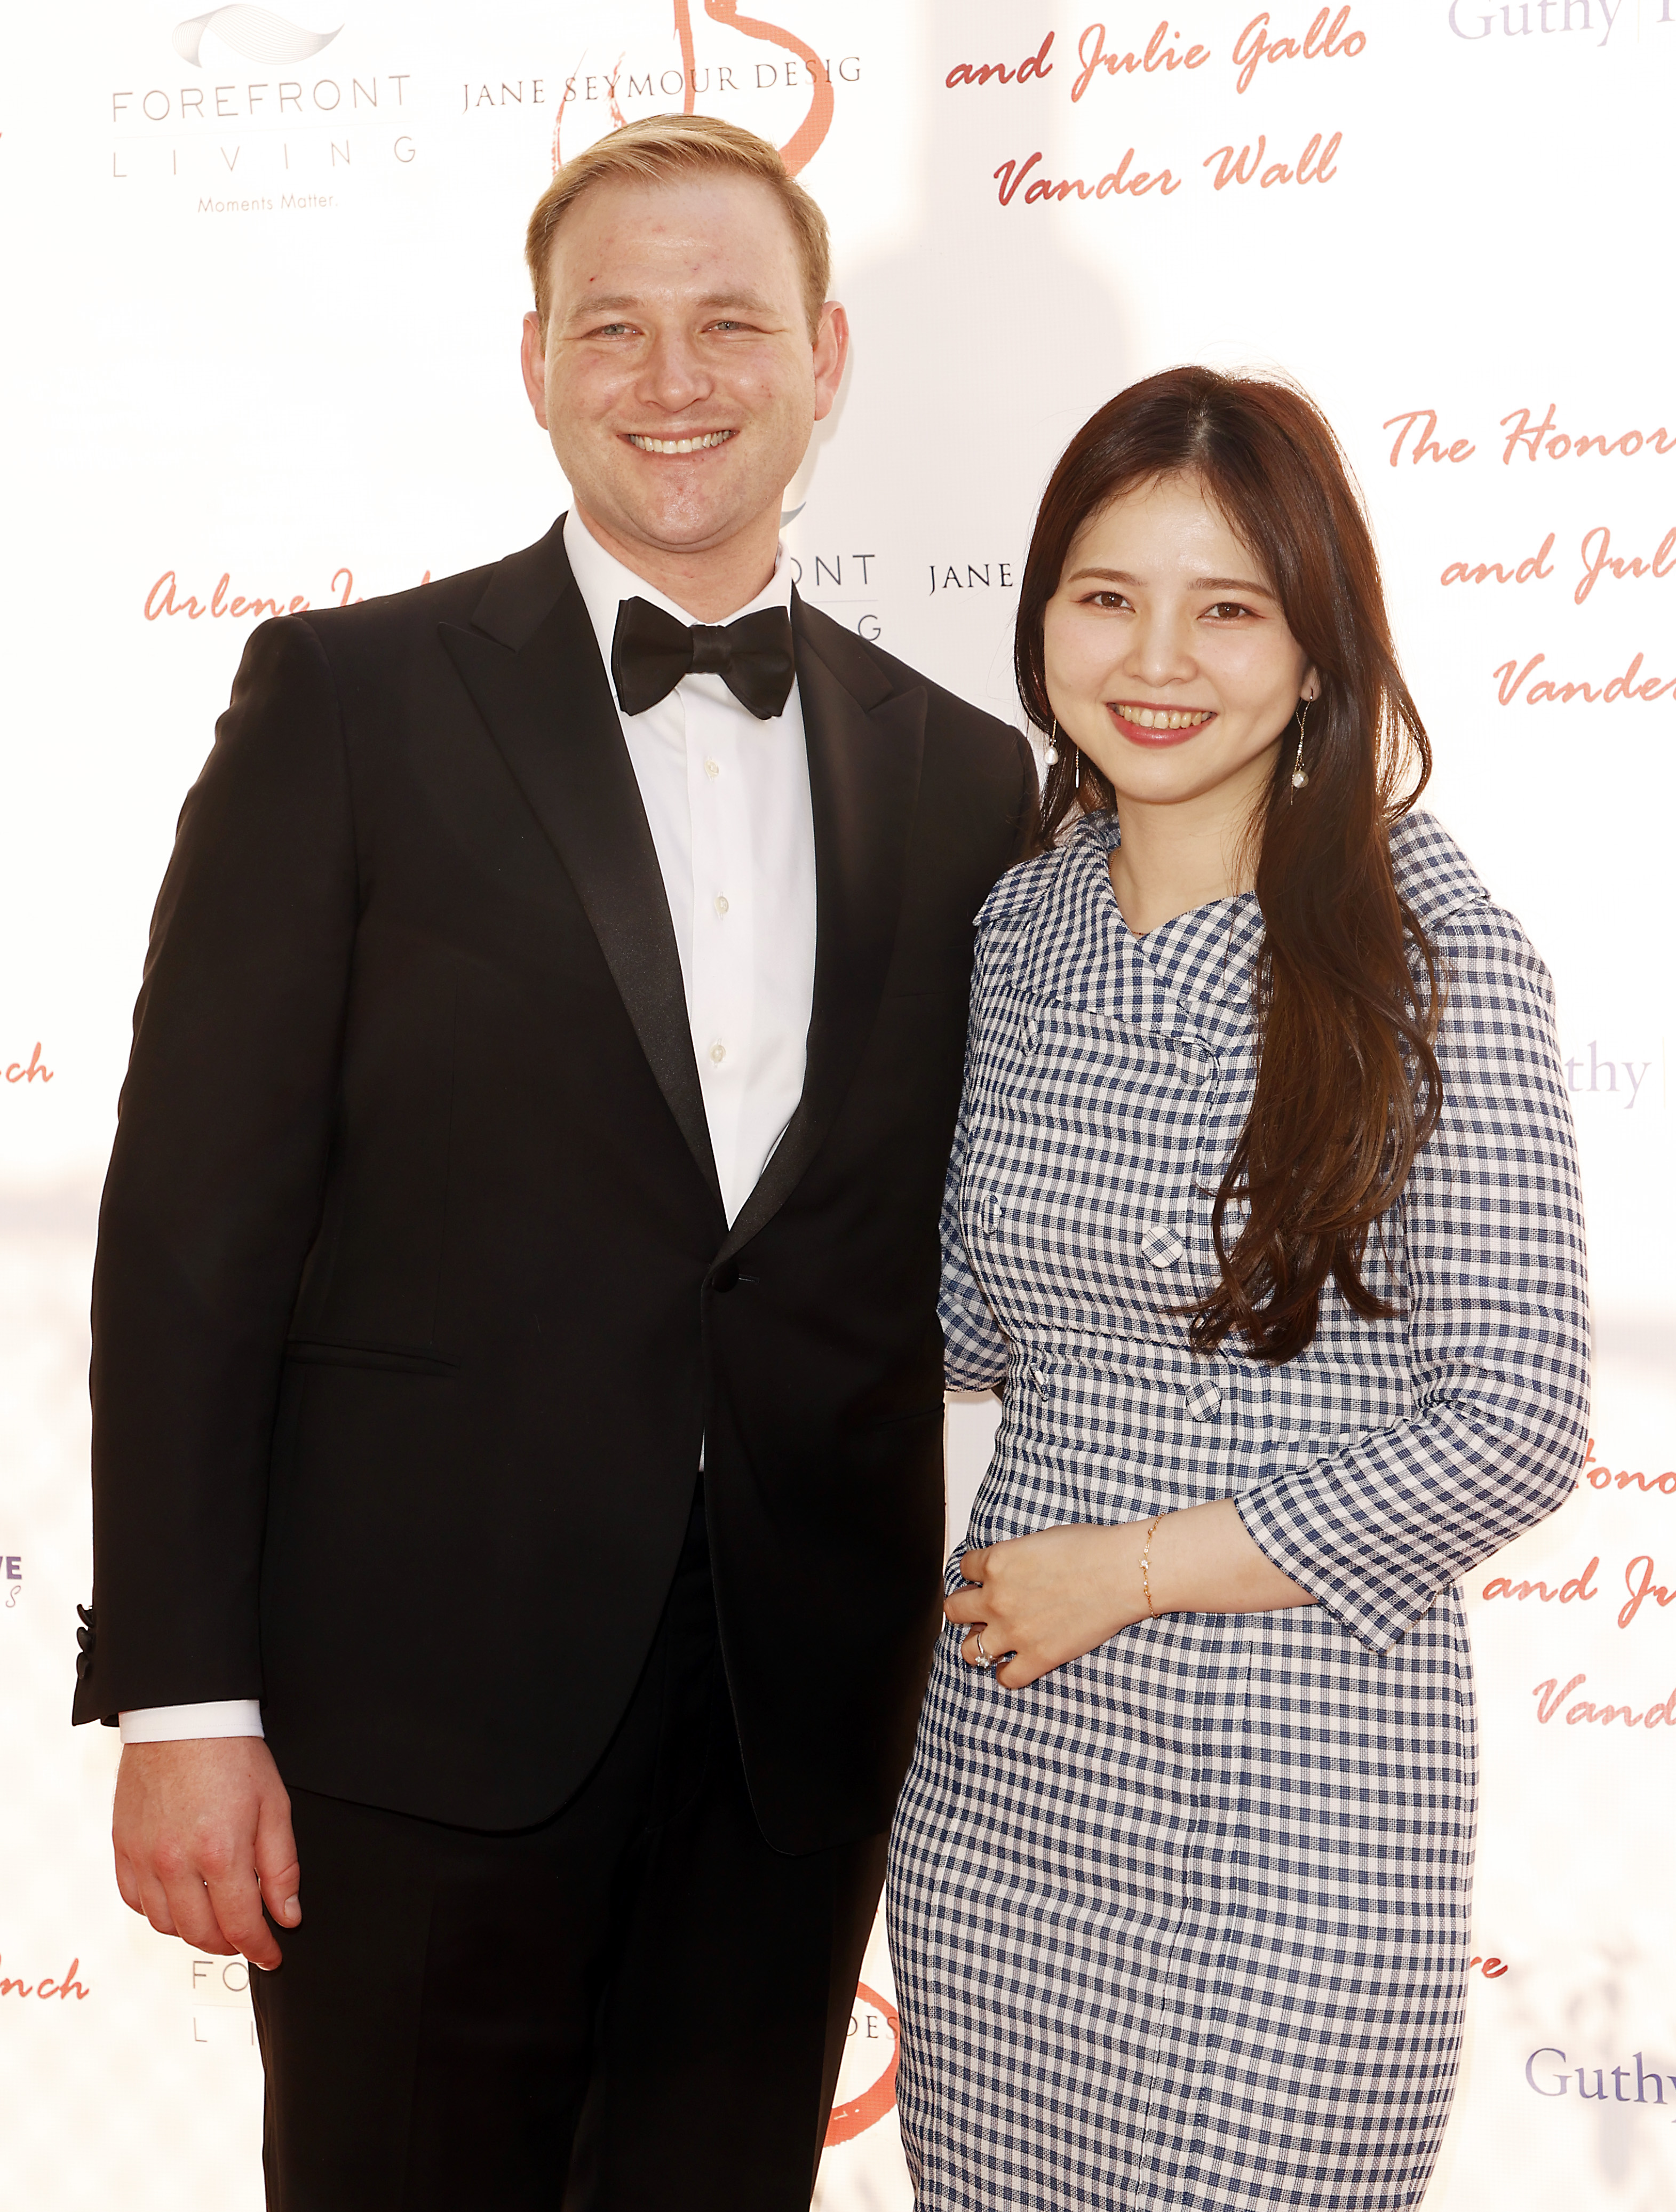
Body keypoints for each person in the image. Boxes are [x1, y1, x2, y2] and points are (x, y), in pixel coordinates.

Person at [73, 113, 1033, 2209]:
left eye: (725, 323)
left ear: (825, 355)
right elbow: (188, 1238)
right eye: (613, 327)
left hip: (792, 1715)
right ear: (532, 363)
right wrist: (181, 1689)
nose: (670, 377)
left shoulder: (972, 779)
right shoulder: (341, 699)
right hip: (409, 1707)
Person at [888, 367, 1589, 2212]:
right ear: (1040, 614)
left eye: (1228, 606)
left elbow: (1512, 1421)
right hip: (1009, 1771)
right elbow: (965, 1316)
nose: (1157, 657)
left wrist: (1128, 1571)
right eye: (1106, 595)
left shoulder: (1419, 948)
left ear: (1314, 643)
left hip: (1294, 1784)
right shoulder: (1013, 920)